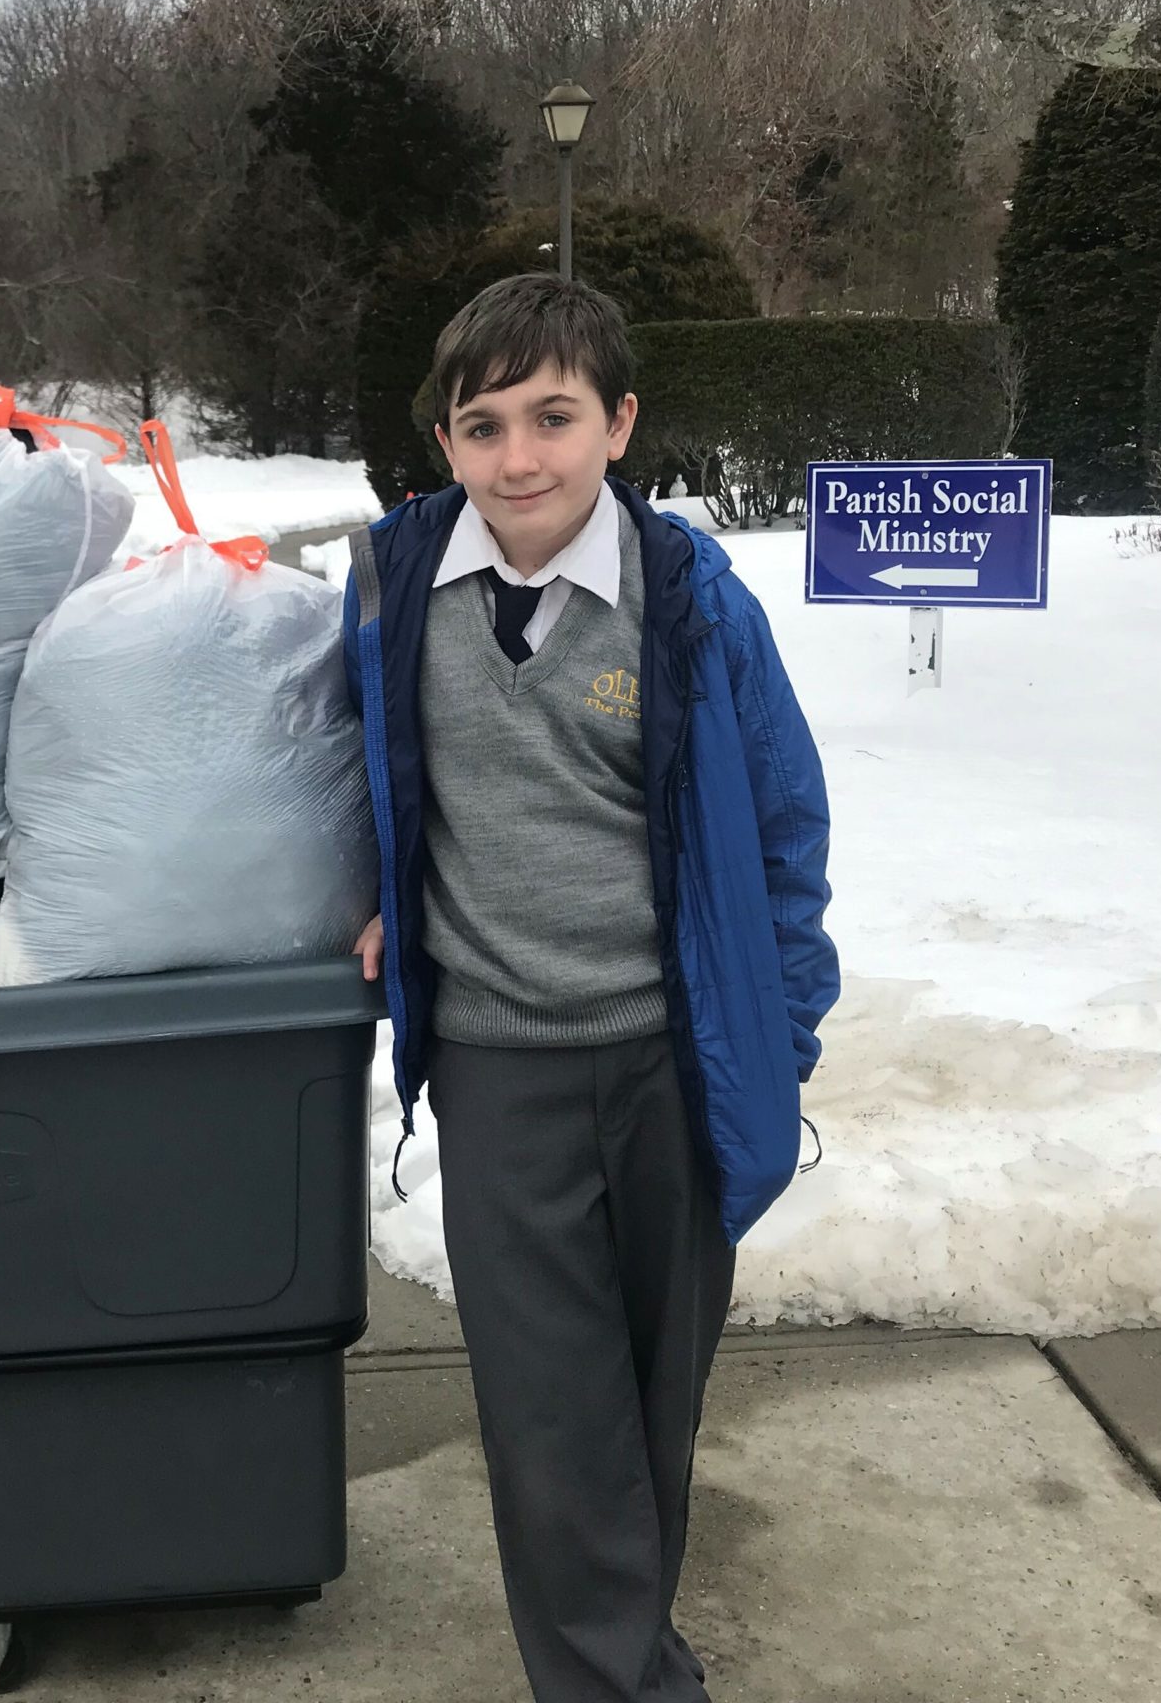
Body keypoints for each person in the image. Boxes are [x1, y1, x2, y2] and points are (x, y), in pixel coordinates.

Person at [341, 272, 838, 1703]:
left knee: (646, 1411)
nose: (520, 459)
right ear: (444, 442)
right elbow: (348, 777)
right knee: (554, 1428)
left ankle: (625, 1656)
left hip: (672, 1063)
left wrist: (779, 1038)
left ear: (621, 423)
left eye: (553, 417)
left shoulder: (687, 604)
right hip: (502, 1073)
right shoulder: (391, 592)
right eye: (481, 424)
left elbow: (785, 834)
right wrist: (365, 896)